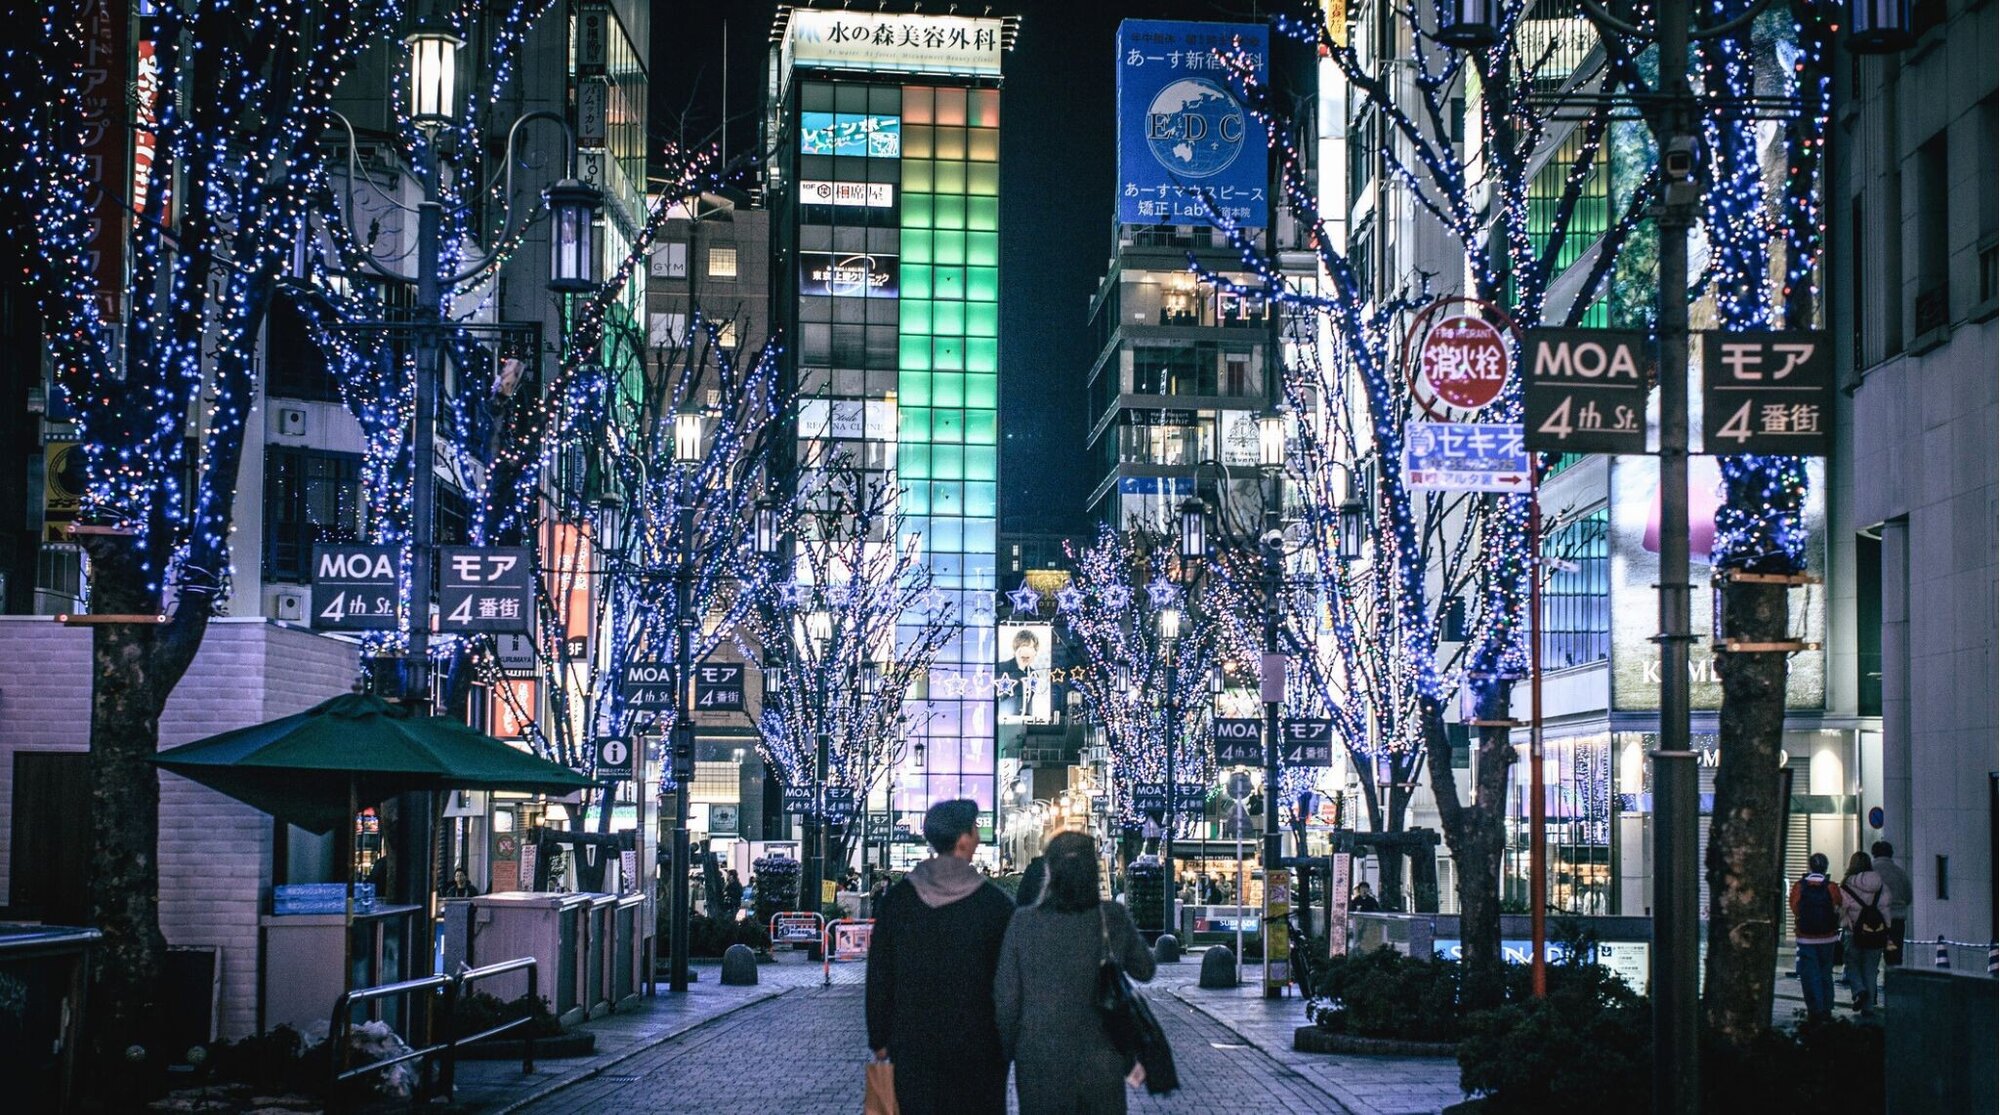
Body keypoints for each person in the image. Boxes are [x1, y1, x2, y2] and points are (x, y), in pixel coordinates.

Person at [865, 800, 1015, 1115]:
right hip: (979, 1043)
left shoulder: (899, 900)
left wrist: (879, 1034)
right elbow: (1007, 982)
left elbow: (880, 972)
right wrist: (1009, 1038)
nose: (977, 834)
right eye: (974, 828)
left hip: (912, 1042)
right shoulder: (994, 905)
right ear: (963, 839)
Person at [995, 831, 1157, 1115]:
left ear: (1050, 870)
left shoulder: (1024, 923)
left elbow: (1007, 999)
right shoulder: (1111, 917)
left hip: (1039, 1062)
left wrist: (1004, 1055)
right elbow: (1145, 970)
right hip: (1102, 1062)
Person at [1789, 852, 1851, 1022]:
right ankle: (1827, 1007)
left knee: (1810, 974)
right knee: (1825, 973)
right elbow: (1839, 904)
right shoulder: (1831, 886)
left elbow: (1795, 908)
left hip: (1805, 938)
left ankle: (1814, 1008)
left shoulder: (1799, 886)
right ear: (1826, 867)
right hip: (1828, 938)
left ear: (1809, 867)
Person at [1840, 850, 1888, 1015]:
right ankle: (1868, 1007)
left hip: (1853, 933)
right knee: (1870, 969)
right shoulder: (1880, 884)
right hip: (1876, 933)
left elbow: (1842, 910)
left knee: (1852, 963)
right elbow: (1885, 907)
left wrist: (1846, 923)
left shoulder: (1847, 885)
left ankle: (1859, 990)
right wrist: (1885, 928)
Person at [1870, 840, 1912, 966]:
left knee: (1871, 959)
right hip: (1896, 923)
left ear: (1873, 854)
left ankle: (1871, 984)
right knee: (1894, 958)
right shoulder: (1900, 873)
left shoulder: (1868, 873)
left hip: (1873, 921)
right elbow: (1908, 897)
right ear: (1891, 854)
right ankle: (1894, 983)